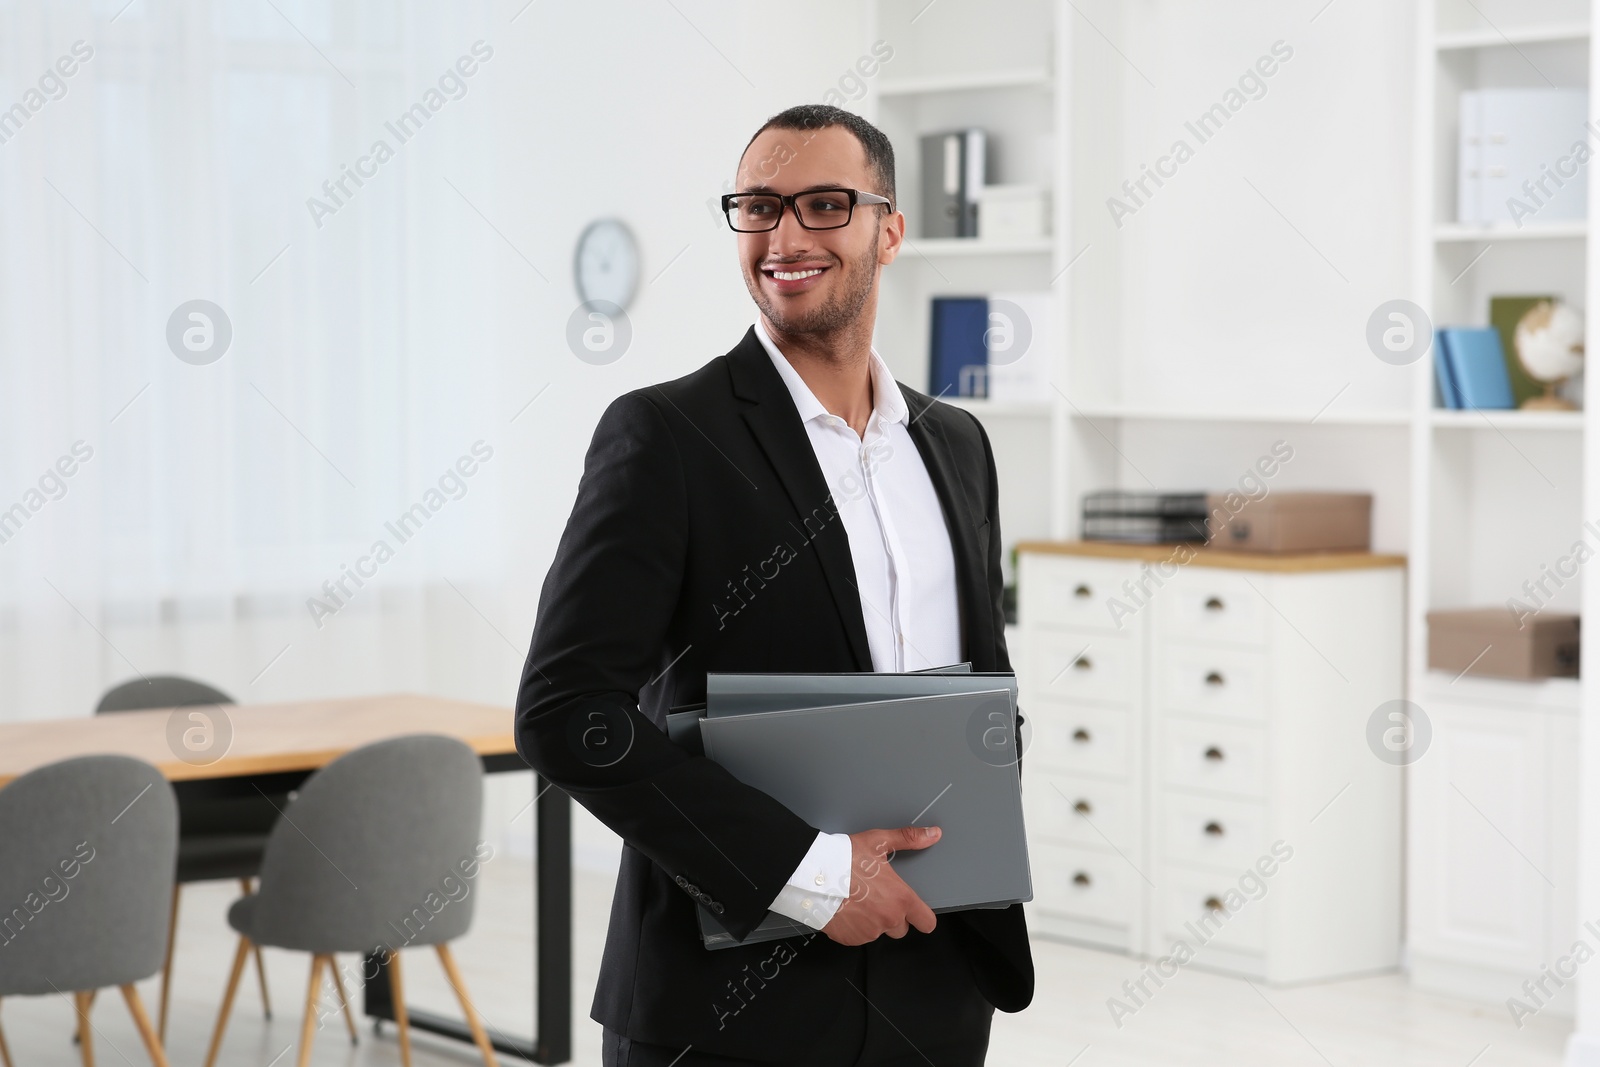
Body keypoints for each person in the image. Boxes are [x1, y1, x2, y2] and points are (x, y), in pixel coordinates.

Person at [515, 103, 1033, 1067]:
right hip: (725, 1003)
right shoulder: (666, 436)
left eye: (825, 205)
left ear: (890, 229)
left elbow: (983, 688)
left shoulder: (955, 444)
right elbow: (565, 712)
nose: (786, 236)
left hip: (935, 974)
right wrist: (813, 872)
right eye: (758, 208)